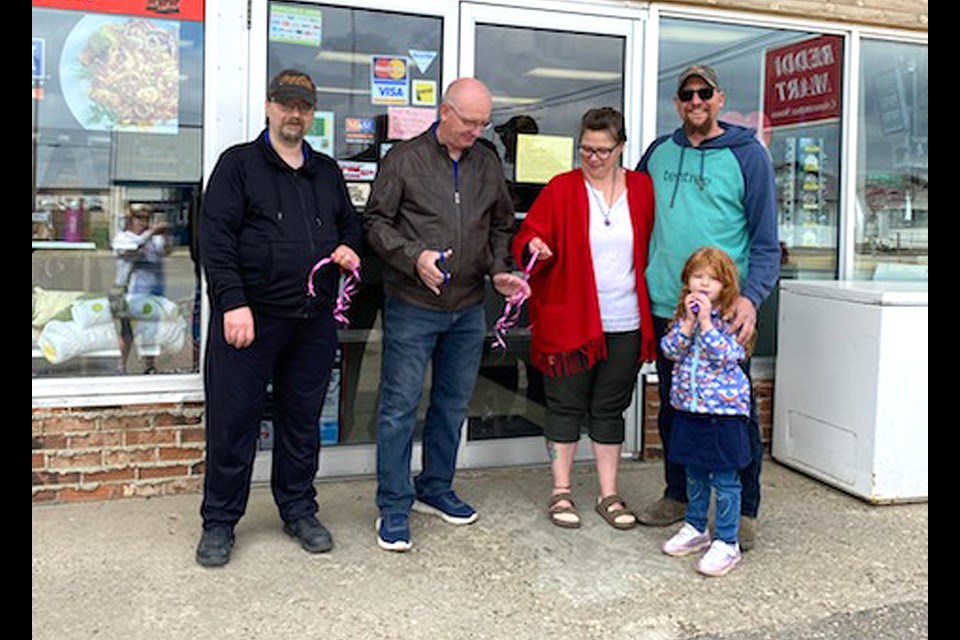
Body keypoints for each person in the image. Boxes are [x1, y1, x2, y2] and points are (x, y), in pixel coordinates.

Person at [195, 69, 362, 567]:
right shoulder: (239, 165)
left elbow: (351, 225)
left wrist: (349, 248)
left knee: (301, 421)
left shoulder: (328, 171)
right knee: (233, 421)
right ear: (269, 106)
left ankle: (298, 510)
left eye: (304, 106)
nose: (295, 114)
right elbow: (215, 239)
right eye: (286, 104)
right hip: (251, 318)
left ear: (313, 113)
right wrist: (232, 302)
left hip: (311, 322)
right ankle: (220, 521)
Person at [364, 77, 526, 552]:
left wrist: (500, 269)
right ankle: (394, 504)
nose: (476, 131)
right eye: (469, 122)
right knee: (398, 409)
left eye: (483, 123)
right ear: (445, 112)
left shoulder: (486, 161)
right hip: (413, 305)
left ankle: (435, 487)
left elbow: (500, 224)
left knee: (452, 406)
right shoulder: (405, 160)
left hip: (468, 306)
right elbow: (375, 223)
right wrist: (414, 256)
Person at [635, 64, 780, 551]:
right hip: (667, 308)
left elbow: (764, 243)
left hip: (725, 313)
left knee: (734, 415)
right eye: (686, 95)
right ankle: (679, 497)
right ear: (677, 103)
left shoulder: (748, 156)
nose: (695, 101)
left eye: (703, 94)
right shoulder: (657, 153)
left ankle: (747, 510)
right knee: (677, 409)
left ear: (718, 98)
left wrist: (750, 298)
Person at [512, 107, 656, 530]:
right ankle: (561, 491)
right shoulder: (562, 188)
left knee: (610, 409)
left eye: (603, 151)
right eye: (586, 150)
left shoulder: (643, 189)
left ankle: (609, 494)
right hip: (570, 318)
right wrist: (536, 244)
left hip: (626, 320)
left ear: (621, 148)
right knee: (564, 406)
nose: (593, 158)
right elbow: (526, 236)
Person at [659, 247, 753, 576]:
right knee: (694, 471)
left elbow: (727, 356)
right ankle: (696, 527)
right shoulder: (682, 317)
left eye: (712, 279)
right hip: (689, 408)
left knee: (725, 477)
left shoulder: (730, 318)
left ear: (725, 286)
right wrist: (687, 322)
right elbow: (670, 350)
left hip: (723, 413)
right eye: (697, 276)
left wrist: (705, 321)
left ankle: (727, 541)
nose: (703, 284)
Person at [111, 203, 170, 374]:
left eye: (146, 219)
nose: (143, 222)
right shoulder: (123, 237)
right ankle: (121, 366)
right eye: (139, 218)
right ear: (130, 220)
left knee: (151, 331)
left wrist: (164, 235)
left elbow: (165, 251)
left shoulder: (152, 239)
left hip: (154, 291)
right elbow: (132, 249)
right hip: (129, 291)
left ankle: (150, 366)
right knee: (127, 331)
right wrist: (150, 233)